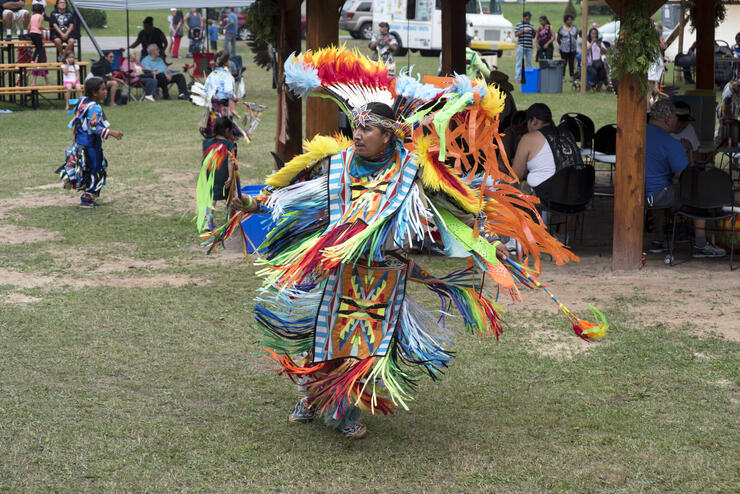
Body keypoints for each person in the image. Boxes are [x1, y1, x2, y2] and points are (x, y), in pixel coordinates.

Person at [221, 48, 603, 440]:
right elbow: (295, 195)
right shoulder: (336, 165)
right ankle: (310, 391)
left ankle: (343, 407)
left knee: (365, 345)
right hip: (337, 266)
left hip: (385, 275)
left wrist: (489, 243)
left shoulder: (414, 171)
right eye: (356, 126)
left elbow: (463, 208)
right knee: (325, 333)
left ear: (389, 135)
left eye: (368, 129)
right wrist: (248, 203)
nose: (358, 134)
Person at [645, 100, 725, 257]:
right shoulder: (671, 143)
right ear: (668, 118)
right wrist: (688, 155)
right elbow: (685, 177)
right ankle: (701, 244)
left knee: (660, 186)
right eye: (676, 117)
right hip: (657, 196)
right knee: (698, 189)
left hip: (638, 194)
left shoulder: (637, 133)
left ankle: (658, 240)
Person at [57, 77, 123, 208]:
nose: (106, 92)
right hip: (91, 145)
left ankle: (86, 195)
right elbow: (94, 127)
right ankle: (87, 199)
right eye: (103, 89)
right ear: (94, 93)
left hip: (81, 143)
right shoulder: (95, 107)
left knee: (88, 169)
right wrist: (111, 132)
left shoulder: (82, 101)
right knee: (96, 170)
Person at [195, 116, 239, 232]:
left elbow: (204, 158)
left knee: (212, 197)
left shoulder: (207, 143)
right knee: (230, 198)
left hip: (210, 174)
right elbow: (230, 161)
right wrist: (230, 176)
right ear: (226, 130)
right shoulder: (230, 145)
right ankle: (230, 220)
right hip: (224, 175)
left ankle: (207, 221)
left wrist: (203, 172)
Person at [511, 103, 558, 205]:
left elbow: (515, 176)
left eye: (527, 122)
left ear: (534, 121)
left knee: (505, 190)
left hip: (545, 195)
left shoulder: (528, 138)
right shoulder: (566, 133)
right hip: (574, 193)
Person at [200, 50, 240, 137]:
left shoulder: (212, 74)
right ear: (225, 62)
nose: (230, 62)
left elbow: (205, 91)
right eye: (229, 60)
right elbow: (229, 92)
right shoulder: (227, 76)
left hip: (212, 107)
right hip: (223, 108)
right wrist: (235, 97)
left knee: (213, 129)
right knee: (224, 131)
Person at [514, 11, 534, 82]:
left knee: (529, 62)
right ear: (523, 18)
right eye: (526, 19)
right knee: (519, 62)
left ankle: (528, 77)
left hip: (529, 46)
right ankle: (518, 77)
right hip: (521, 46)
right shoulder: (519, 25)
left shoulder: (531, 26)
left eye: (529, 19)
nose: (527, 20)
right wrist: (523, 30)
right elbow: (515, 34)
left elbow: (533, 36)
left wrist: (534, 31)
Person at [558, 14, 578, 82]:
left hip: (572, 49)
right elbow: (558, 38)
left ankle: (572, 77)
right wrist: (562, 44)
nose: (570, 21)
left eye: (571, 20)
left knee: (571, 63)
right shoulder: (561, 29)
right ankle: (562, 77)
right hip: (564, 49)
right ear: (565, 21)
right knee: (564, 63)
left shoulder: (575, 28)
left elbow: (576, 37)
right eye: (568, 20)